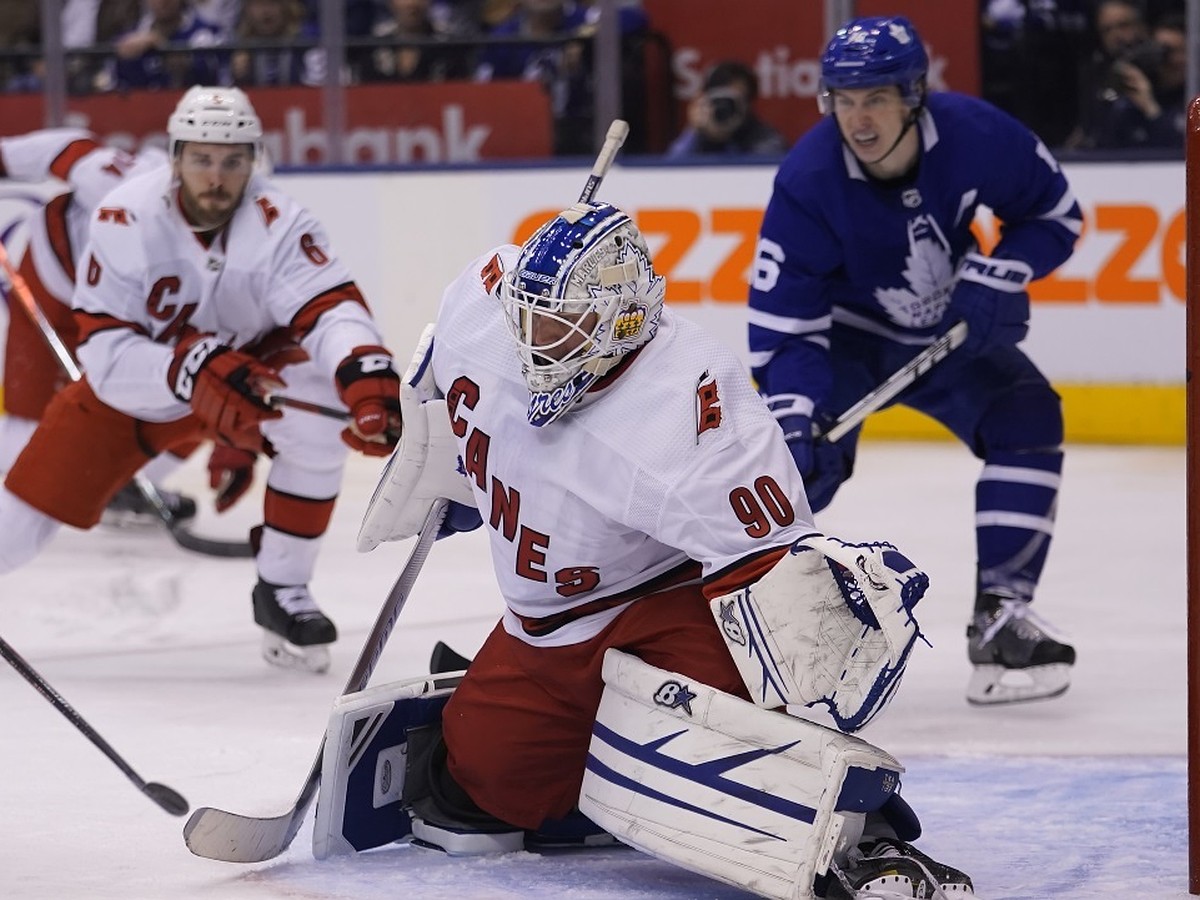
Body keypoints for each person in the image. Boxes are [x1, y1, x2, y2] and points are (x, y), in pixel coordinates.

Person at [352, 198, 974, 898]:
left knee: (723, 740)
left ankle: (863, 840)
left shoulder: (690, 409)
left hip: (671, 598)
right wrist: (459, 466)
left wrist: (834, 620)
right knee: (482, 791)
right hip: (552, 625)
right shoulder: (484, 300)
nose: (532, 348)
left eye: (558, 329)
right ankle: (567, 753)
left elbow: (779, 587)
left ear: (622, 322)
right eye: (527, 319)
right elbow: (438, 372)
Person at [0, 87, 403, 674]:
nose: (217, 176)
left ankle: (283, 589)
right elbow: (109, 360)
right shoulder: (123, 214)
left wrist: (365, 372)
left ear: (254, 160)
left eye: (233, 160)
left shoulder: (281, 222)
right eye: (202, 159)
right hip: (140, 384)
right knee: (21, 520)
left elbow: (329, 307)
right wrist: (190, 370)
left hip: (244, 376)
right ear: (175, 157)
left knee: (318, 409)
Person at [747, 15, 1081, 706]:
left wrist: (1000, 271)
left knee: (1027, 415)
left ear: (915, 94)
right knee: (797, 471)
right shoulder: (807, 180)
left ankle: (1000, 619)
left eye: (874, 98)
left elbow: (1057, 214)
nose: (857, 117)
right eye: (842, 98)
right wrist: (793, 414)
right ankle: (718, 628)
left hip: (943, 333)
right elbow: (787, 328)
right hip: (844, 345)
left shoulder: (978, 135)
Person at [0, 128, 199, 526]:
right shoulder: (106, 175)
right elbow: (43, 151)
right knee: (31, 405)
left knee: (194, 394)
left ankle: (123, 486)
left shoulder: (217, 236)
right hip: (53, 274)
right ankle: (15, 500)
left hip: (124, 301)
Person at [1064, 0, 1183, 150]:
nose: (1116, 35)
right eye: (1107, 30)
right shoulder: (1098, 78)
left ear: (1143, 28)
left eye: (1123, 25)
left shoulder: (1168, 73)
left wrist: (1149, 107)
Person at [666, 60, 789, 158]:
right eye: (720, 100)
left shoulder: (766, 139)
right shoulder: (698, 134)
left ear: (748, 103)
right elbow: (670, 171)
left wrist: (725, 141)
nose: (725, 108)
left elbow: (757, 174)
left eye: (734, 101)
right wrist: (694, 131)